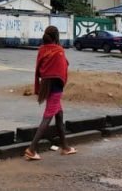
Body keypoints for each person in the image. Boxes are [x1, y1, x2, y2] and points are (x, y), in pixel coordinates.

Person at [24, 26, 76, 161]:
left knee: (59, 115)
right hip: (56, 86)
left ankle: (65, 147)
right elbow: (62, 67)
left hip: (46, 84)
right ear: (56, 37)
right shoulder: (59, 50)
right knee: (47, 117)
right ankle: (31, 149)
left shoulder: (42, 49)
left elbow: (42, 67)